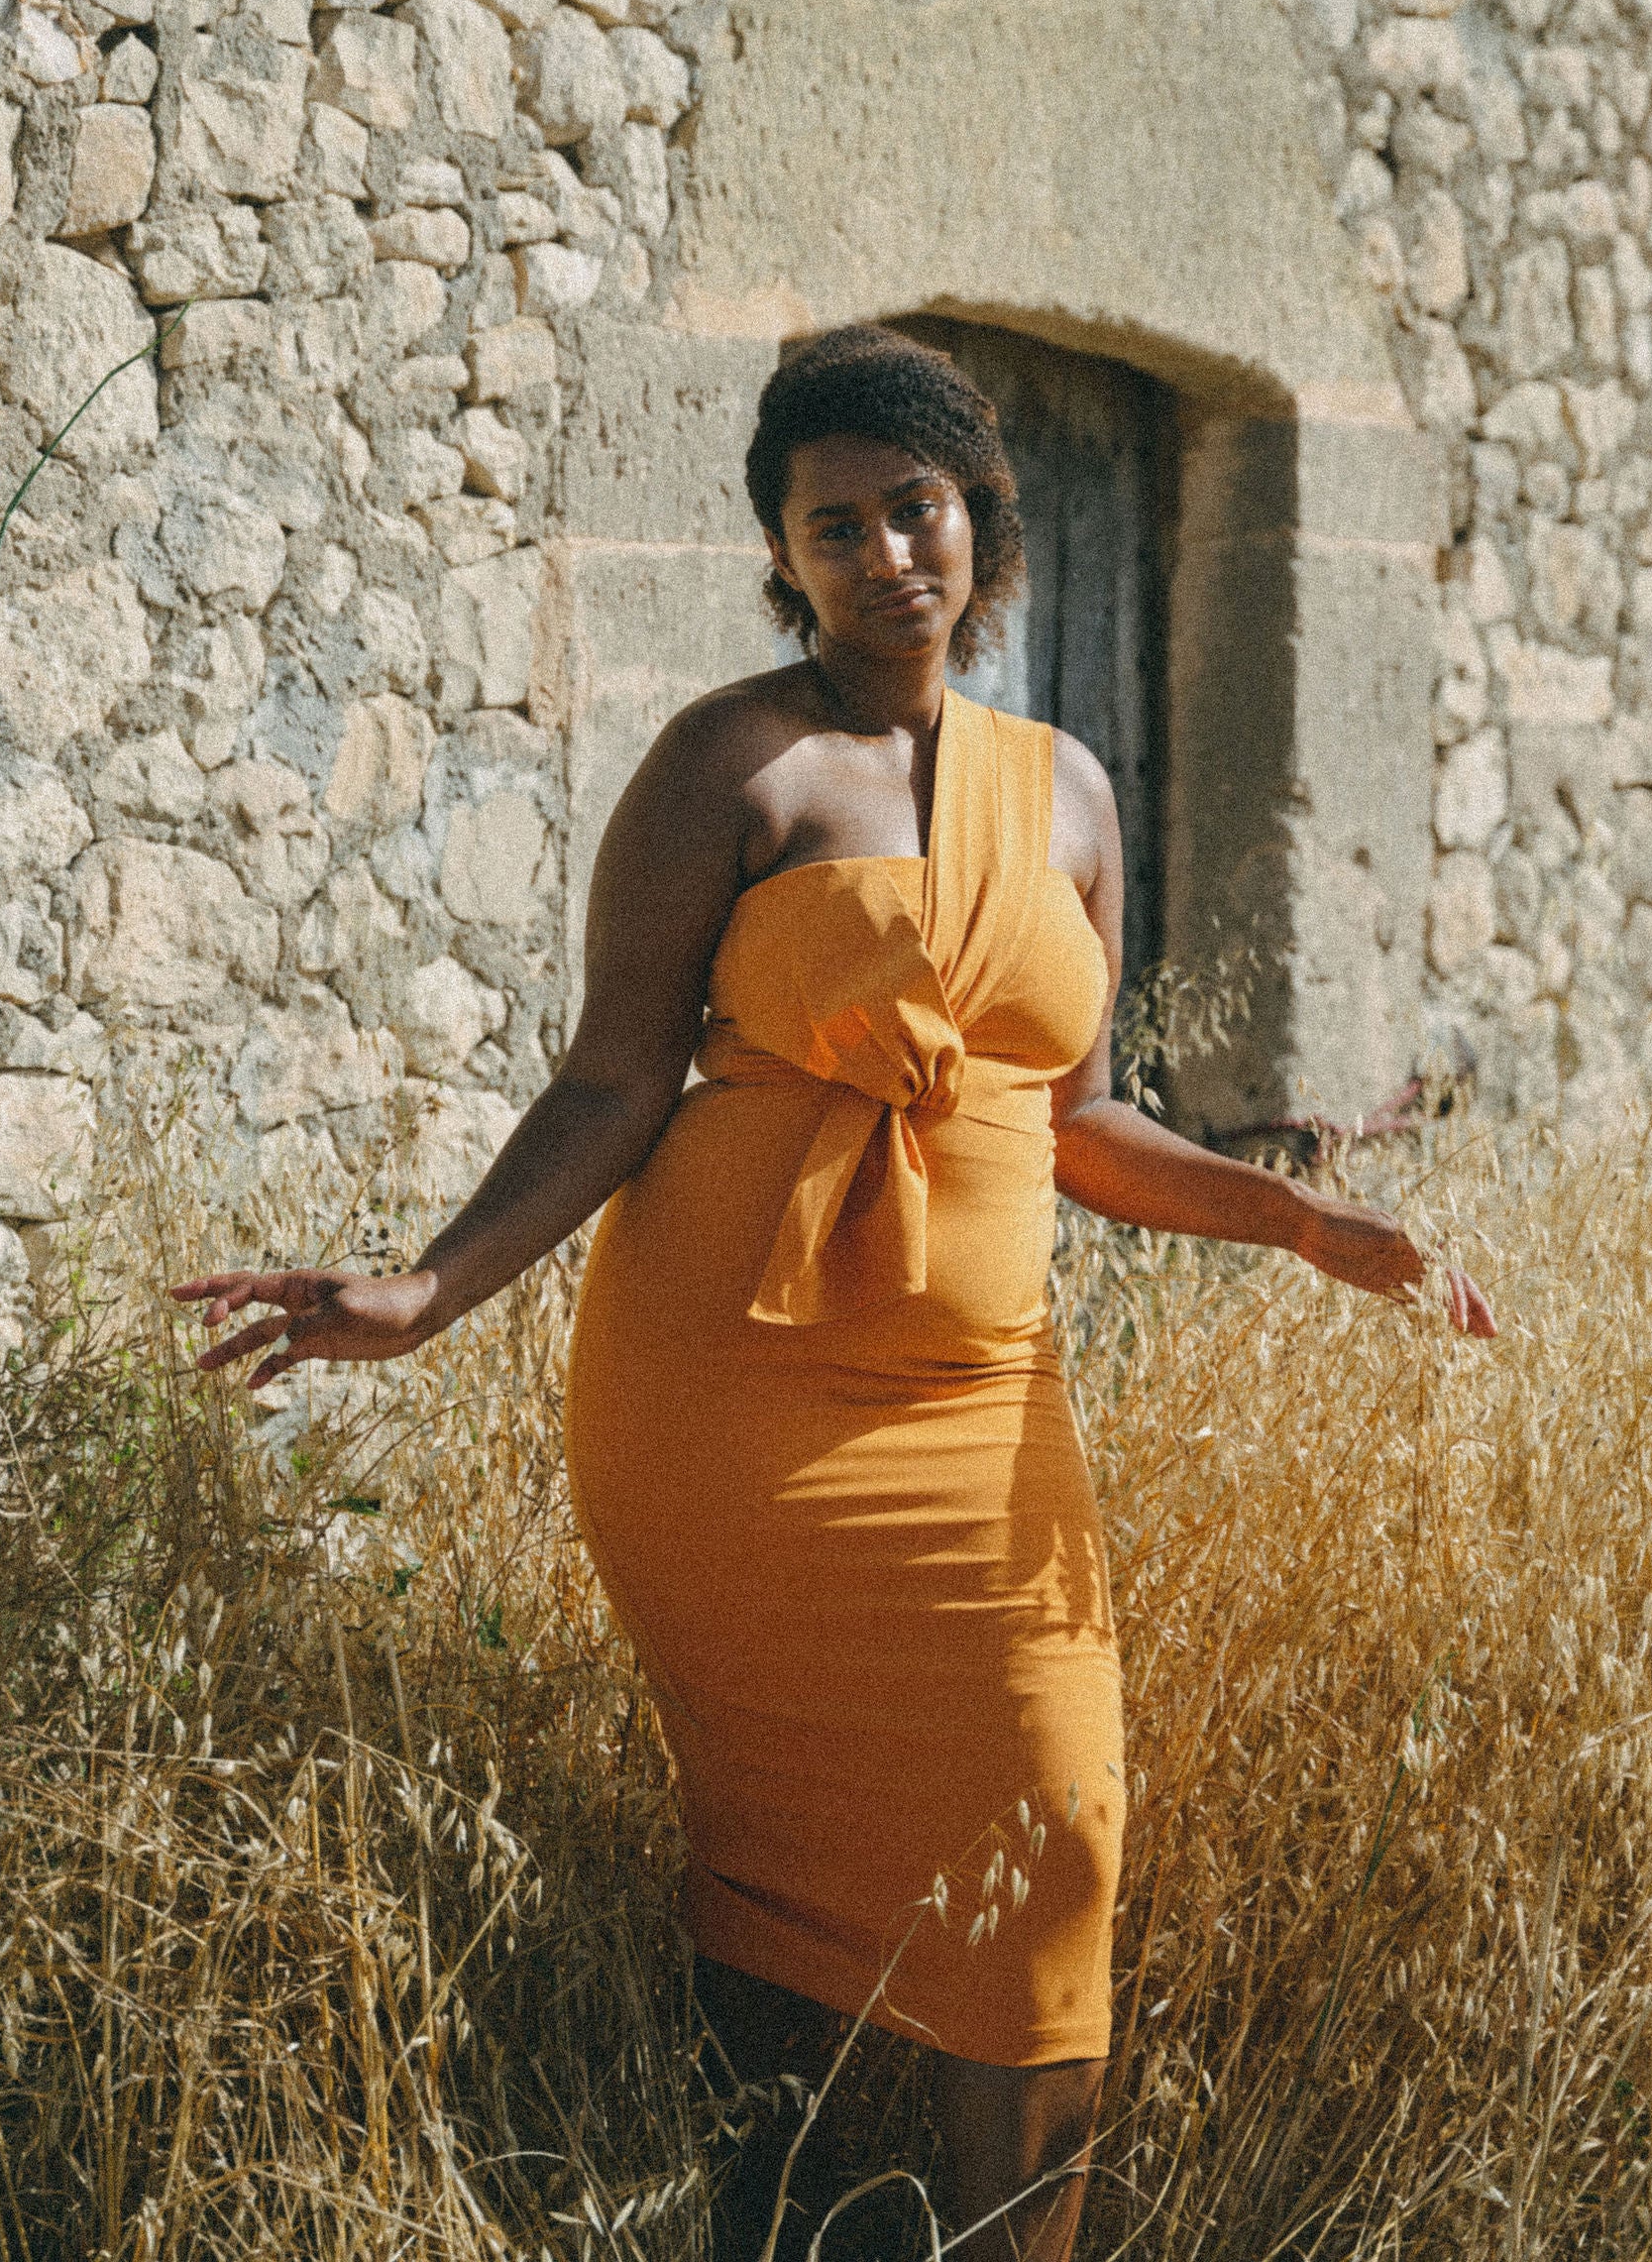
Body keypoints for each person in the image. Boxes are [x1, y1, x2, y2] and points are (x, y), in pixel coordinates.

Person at [176, 325, 1495, 2262]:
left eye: (917, 508)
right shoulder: (735, 759)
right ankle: (769, 2228)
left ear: (984, 524)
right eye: (836, 526)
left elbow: (1085, 1122)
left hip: (975, 1408)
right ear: (780, 560)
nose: (886, 553)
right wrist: (427, 1289)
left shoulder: (1069, 800)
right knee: (779, 1873)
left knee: (1056, 1827)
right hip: (727, 1399)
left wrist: (1301, 1223)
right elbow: (616, 1076)